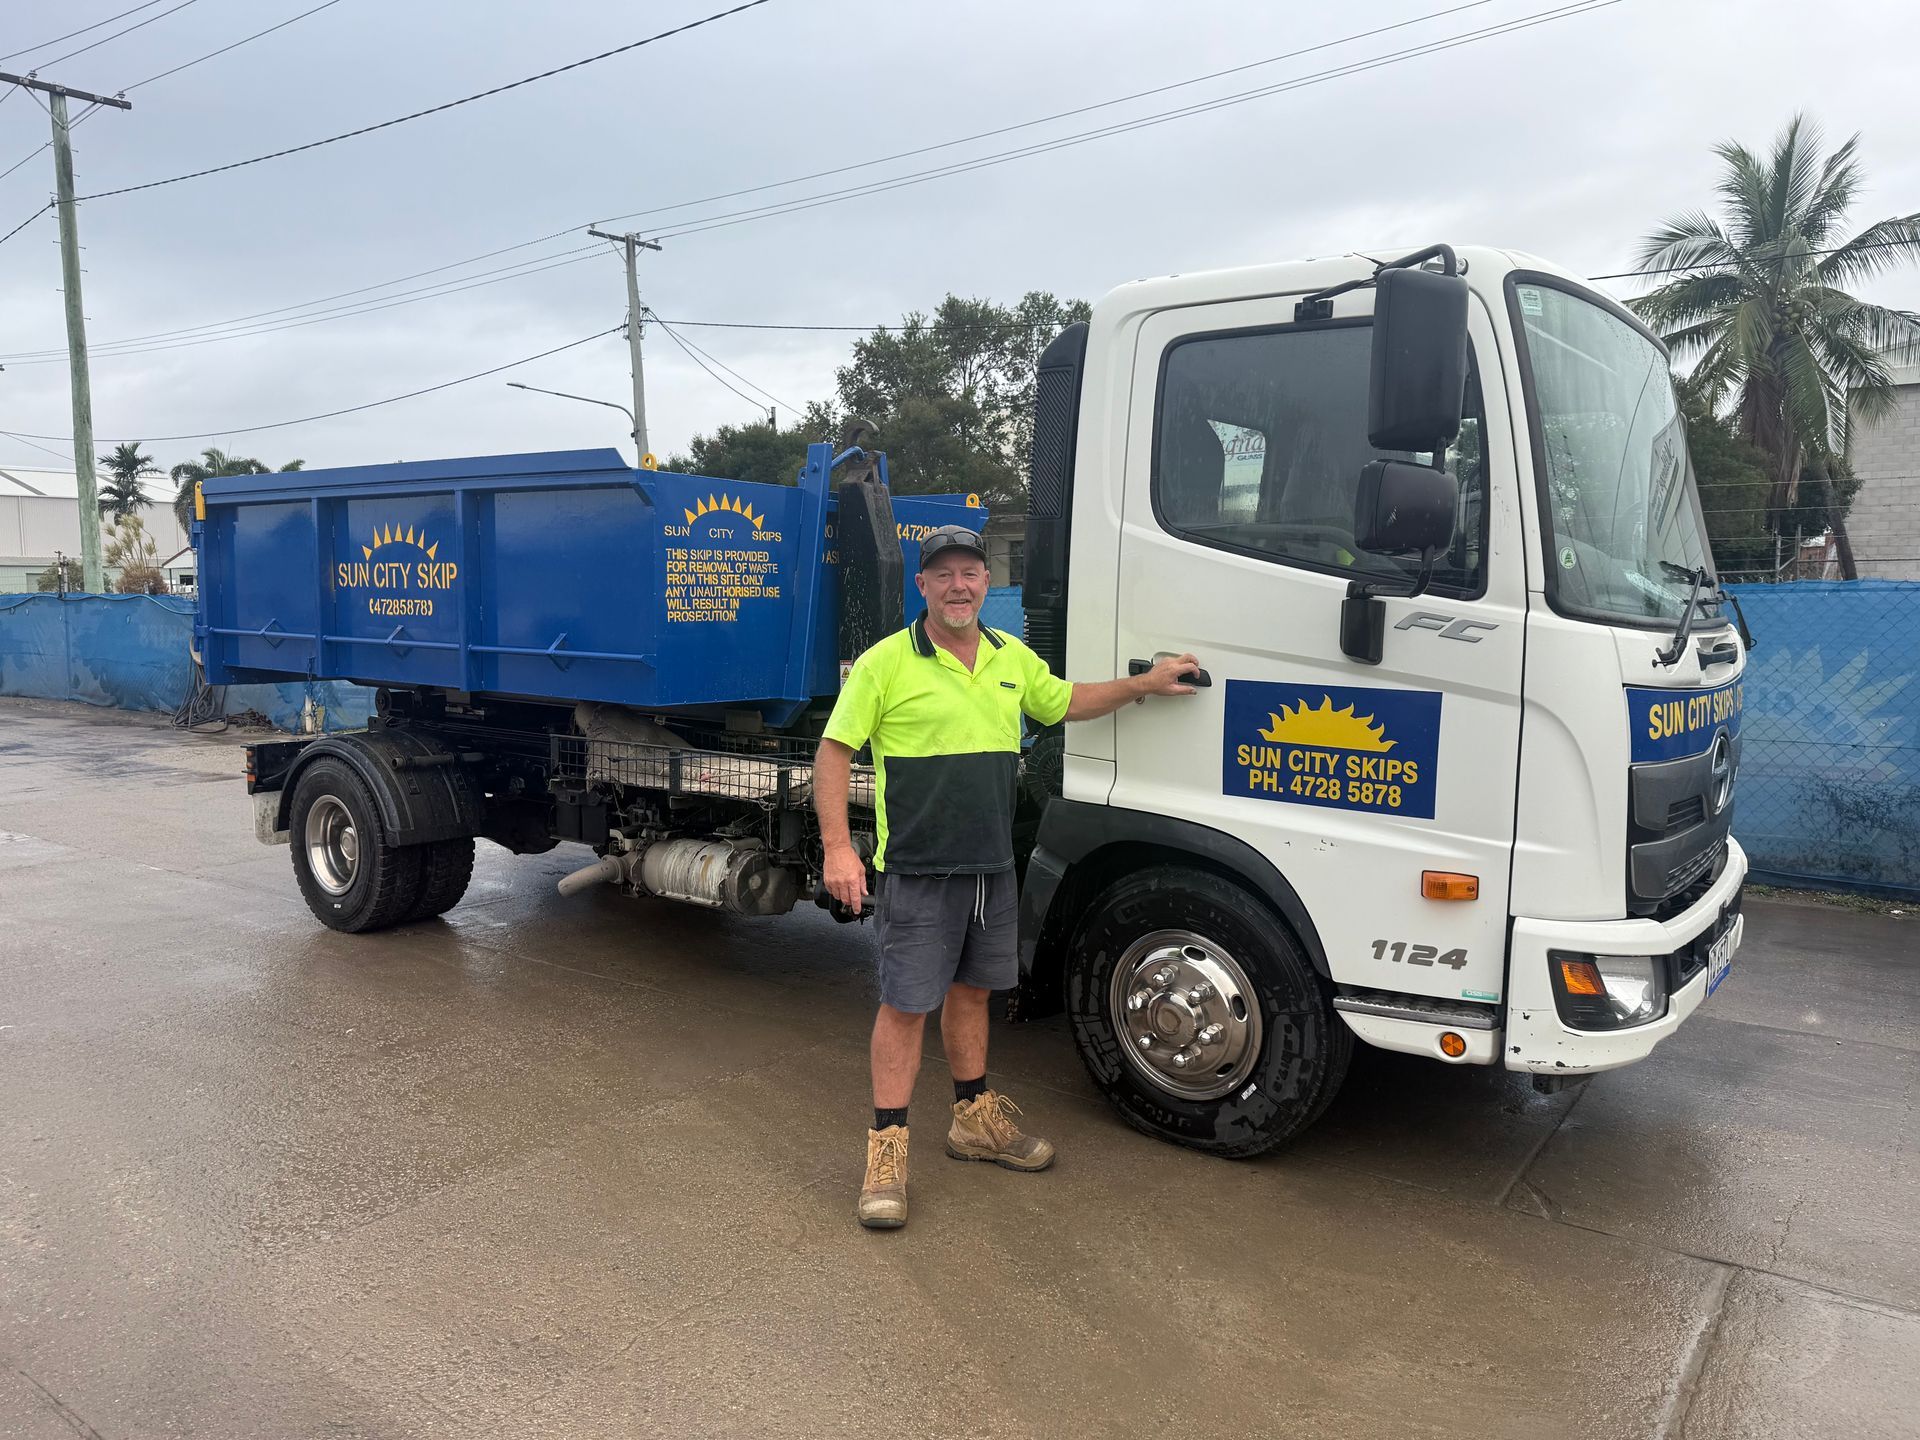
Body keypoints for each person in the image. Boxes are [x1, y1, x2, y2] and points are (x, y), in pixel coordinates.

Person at [814, 523, 1201, 1229]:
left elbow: (1065, 701)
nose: (959, 586)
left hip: (992, 868)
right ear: (922, 586)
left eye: (971, 573)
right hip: (917, 867)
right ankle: (887, 1148)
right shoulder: (885, 663)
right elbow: (834, 752)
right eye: (944, 575)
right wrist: (839, 849)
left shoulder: (1009, 657)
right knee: (906, 1007)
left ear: (986, 584)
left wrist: (1144, 684)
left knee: (972, 995)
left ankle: (973, 1120)